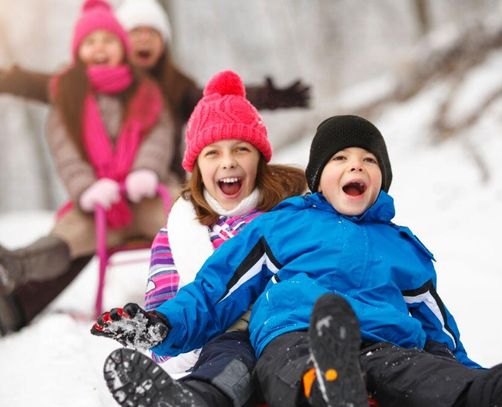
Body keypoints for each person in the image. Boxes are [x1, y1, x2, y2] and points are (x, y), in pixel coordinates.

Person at [92, 114, 502, 407]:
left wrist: (458, 371)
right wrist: (160, 325)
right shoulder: (285, 225)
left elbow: (436, 326)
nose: (355, 167)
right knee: (294, 369)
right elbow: (217, 289)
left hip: (385, 344)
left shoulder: (402, 246)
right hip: (297, 334)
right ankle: (324, 391)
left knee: (429, 379)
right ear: (318, 178)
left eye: (368, 161)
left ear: (381, 179)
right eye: (340, 158)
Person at [0, 0, 311, 336]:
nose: (144, 40)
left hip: (154, 188)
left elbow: (217, 101)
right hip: (105, 195)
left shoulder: (170, 87)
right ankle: (16, 301)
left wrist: (265, 95)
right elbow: (43, 88)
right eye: (136, 33)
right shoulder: (79, 87)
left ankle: (214, 296)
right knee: (76, 237)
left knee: (186, 225)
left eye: (152, 33)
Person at [96, 69, 306, 407]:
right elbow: (165, 299)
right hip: (217, 341)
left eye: (241, 149)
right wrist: (153, 327)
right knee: (229, 362)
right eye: (213, 153)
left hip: (285, 331)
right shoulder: (177, 234)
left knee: (286, 361)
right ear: (196, 166)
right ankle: (190, 400)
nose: (228, 162)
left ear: (259, 159)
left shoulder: (287, 218)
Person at [0, 0, 175, 333]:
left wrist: (147, 169)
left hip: (146, 193)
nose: (99, 48)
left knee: (184, 218)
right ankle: (15, 266)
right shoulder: (68, 94)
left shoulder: (145, 90)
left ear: (121, 47)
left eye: (108, 41)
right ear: (78, 50)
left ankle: (215, 282)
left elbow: (158, 132)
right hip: (99, 204)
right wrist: (86, 187)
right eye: (90, 42)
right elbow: (65, 149)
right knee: (67, 236)